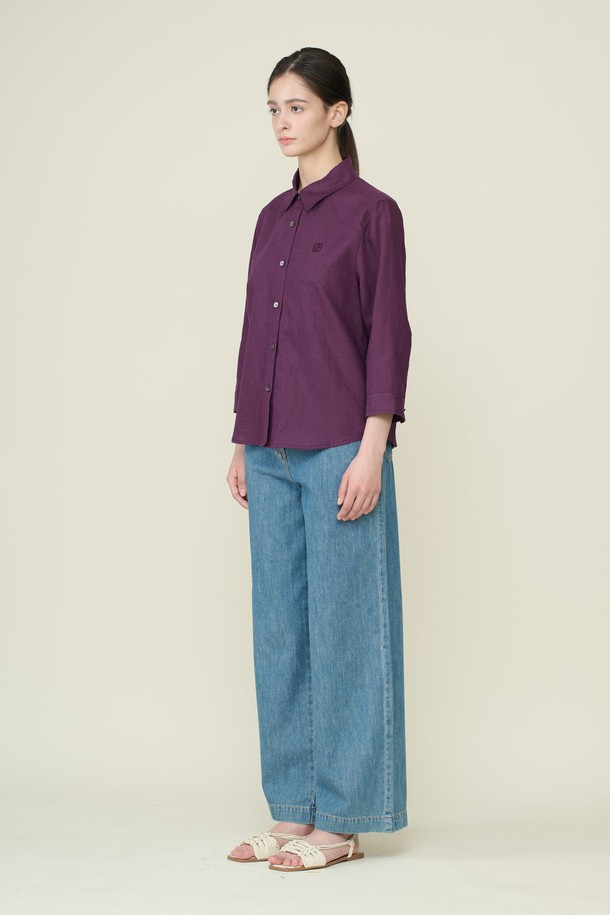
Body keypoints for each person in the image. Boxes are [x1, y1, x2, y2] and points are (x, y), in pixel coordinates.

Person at [225, 47, 412, 873]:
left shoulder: (373, 213)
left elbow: (387, 334)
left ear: (337, 112)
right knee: (281, 633)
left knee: (347, 631)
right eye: (273, 108)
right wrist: (243, 438)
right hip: (269, 449)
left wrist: (373, 448)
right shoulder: (272, 217)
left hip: (340, 444)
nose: (282, 121)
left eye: (296, 106)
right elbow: (257, 332)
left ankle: (344, 819)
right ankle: (294, 809)